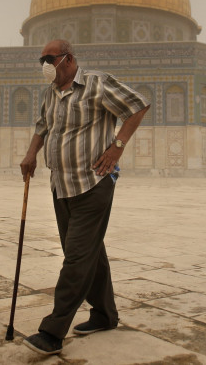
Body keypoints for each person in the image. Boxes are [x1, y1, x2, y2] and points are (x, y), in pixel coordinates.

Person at [19, 39, 150, 355]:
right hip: (61, 187)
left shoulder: (96, 83)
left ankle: (53, 331)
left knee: (76, 258)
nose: (45, 66)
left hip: (93, 184)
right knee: (90, 253)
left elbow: (138, 104)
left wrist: (117, 147)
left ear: (67, 59)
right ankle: (105, 315)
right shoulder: (50, 94)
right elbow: (42, 125)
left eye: (49, 59)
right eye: (42, 61)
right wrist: (31, 154)